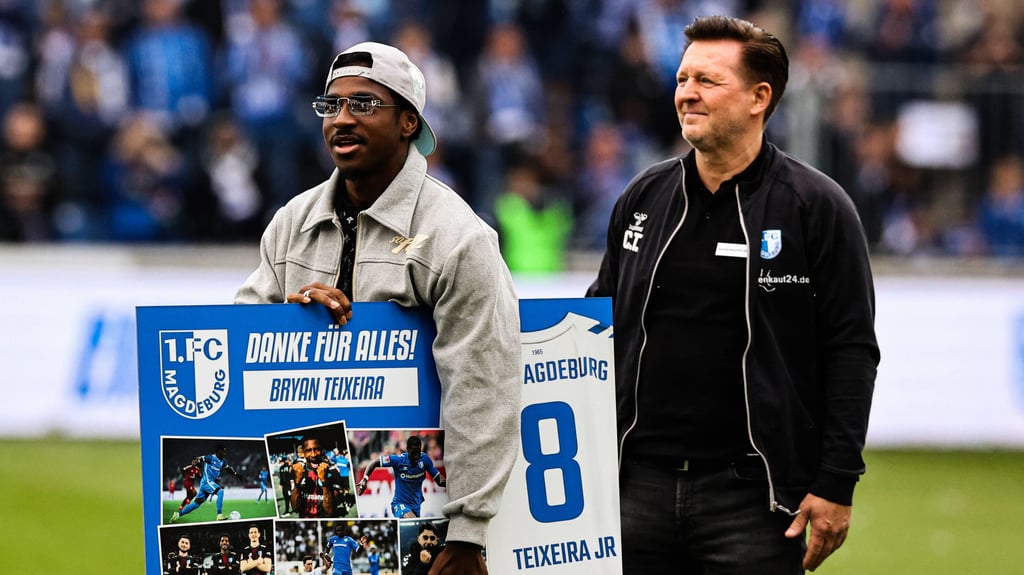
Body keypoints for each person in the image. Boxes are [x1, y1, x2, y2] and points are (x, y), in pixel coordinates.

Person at [586, 15, 880, 574]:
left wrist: (836, 482)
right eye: (682, 78)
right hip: (634, 491)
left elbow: (852, 350)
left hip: (754, 499)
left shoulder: (816, 206)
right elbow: (596, 323)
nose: (686, 93)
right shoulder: (643, 195)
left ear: (758, 98)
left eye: (707, 80)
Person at [234, 41, 521, 574]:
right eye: (331, 105)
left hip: (419, 528)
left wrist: (468, 533)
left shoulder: (458, 237)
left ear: (409, 122)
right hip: (303, 503)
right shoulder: (291, 222)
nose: (341, 119)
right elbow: (239, 346)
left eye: (364, 104)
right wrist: (288, 318)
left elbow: (483, 386)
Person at [356, 434, 445, 518]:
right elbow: (374, 462)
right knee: (412, 519)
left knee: (417, 526)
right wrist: (365, 479)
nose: (416, 456)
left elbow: (439, 479)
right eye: (413, 453)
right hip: (399, 504)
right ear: (408, 450)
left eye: (418, 453)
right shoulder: (399, 460)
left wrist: (449, 482)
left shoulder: (425, 460)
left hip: (416, 505)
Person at [171, 444, 241, 522]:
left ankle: (177, 514)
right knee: (220, 492)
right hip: (207, 481)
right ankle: (219, 515)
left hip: (206, 483)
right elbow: (199, 458)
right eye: (224, 451)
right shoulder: (210, 457)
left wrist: (236, 474)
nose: (225, 453)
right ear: (219, 451)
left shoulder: (222, 461)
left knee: (196, 504)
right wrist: (198, 461)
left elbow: (228, 468)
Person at [290, 437, 343, 518]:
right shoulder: (298, 471)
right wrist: (297, 482)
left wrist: (324, 482)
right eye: (308, 450)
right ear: (303, 453)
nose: (313, 454)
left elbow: (329, 511)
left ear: (322, 450)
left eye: (317, 449)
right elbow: (295, 508)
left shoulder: (333, 472)